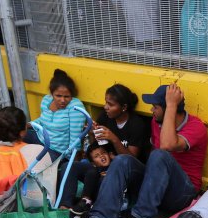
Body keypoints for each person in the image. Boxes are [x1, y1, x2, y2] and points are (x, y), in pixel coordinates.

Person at [69, 83, 208, 218]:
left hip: (181, 194)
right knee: (122, 160)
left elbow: (166, 145)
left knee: (159, 154)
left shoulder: (196, 126)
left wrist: (171, 104)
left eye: (155, 107)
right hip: (158, 189)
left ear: (170, 109)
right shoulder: (156, 123)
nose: (151, 111)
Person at [62, 83, 149, 211]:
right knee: (69, 167)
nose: (106, 107)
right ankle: (65, 207)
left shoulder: (136, 124)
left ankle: (102, 210)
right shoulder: (105, 117)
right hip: (102, 165)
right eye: (106, 103)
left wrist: (114, 139)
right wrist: (92, 133)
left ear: (124, 107)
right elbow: (95, 148)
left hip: (126, 173)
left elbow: (131, 160)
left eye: (111, 105)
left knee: (105, 178)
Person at [28, 69, 87, 158]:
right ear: (52, 94)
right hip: (40, 139)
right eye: (58, 96)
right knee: (15, 134)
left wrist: (71, 158)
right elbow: (43, 120)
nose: (62, 100)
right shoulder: (46, 100)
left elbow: (75, 138)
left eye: (67, 96)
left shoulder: (75, 107)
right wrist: (29, 124)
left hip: (57, 151)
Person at [65, 142, 116, 218]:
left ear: (109, 154)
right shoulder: (95, 171)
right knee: (92, 173)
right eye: (96, 156)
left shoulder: (116, 165)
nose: (101, 156)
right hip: (96, 193)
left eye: (103, 153)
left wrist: (114, 158)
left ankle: (87, 205)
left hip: (110, 196)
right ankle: (85, 201)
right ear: (93, 163)